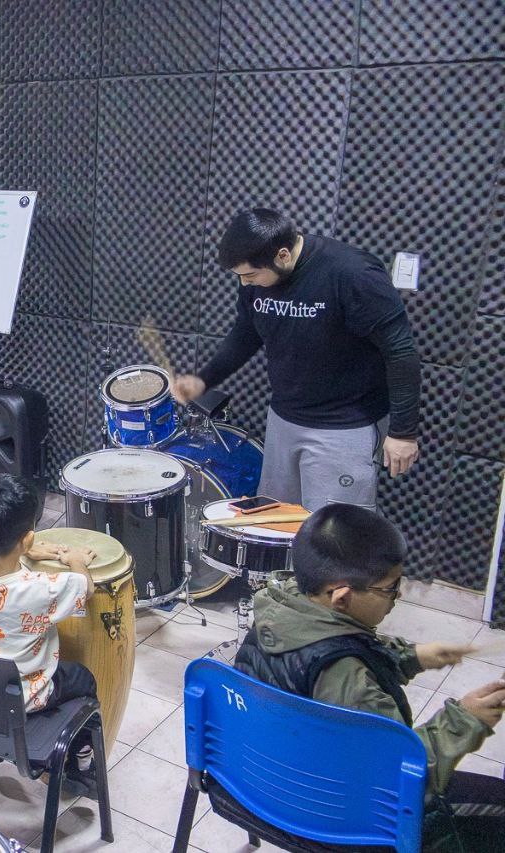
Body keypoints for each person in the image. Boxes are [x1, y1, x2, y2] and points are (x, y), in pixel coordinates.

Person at [235, 504, 505, 851]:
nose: (397, 596)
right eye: (390, 588)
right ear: (342, 596)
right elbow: (399, 779)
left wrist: (412, 656)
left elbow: (328, 649)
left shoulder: (279, 608)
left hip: (262, 783)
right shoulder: (347, 678)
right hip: (332, 815)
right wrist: (466, 719)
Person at [172, 209, 420, 512]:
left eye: (250, 275)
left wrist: (403, 433)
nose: (245, 284)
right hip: (283, 420)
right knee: (273, 521)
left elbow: (400, 351)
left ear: (283, 255)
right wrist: (204, 380)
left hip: (342, 427)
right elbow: (246, 332)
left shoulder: (353, 274)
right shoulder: (255, 279)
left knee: (330, 529)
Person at [0, 474, 99, 788]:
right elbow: (85, 588)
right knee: (83, 678)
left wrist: (24, 552)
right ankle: (81, 760)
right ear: (28, 537)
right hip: (27, 693)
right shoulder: (39, 590)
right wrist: (75, 560)